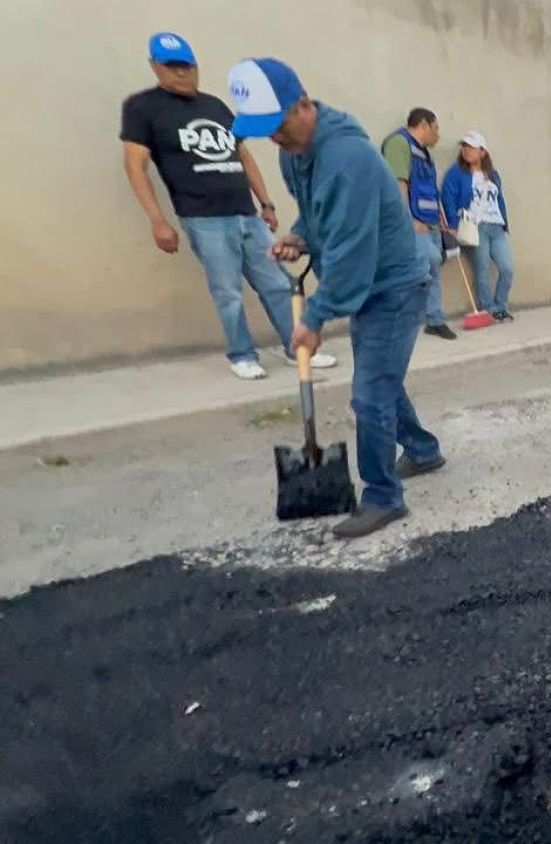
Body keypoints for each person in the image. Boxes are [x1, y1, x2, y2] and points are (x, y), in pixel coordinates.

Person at [229, 57, 443, 539]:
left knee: (369, 396)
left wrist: (316, 316)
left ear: (303, 104)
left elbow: (351, 253)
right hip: (368, 283)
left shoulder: (348, 157)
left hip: (394, 286)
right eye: (264, 131)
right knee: (381, 379)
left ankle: (383, 496)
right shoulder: (295, 153)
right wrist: (300, 237)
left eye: (278, 125)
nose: (274, 139)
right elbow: (317, 214)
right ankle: (424, 450)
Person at [120, 32, 335, 380]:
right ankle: (242, 354)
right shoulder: (142, 108)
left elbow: (243, 155)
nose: (181, 74)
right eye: (172, 67)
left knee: (279, 283)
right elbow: (135, 165)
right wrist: (157, 220)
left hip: (246, 213)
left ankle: (298, 348)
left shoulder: (215, 106)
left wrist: (265, 203)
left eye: (187, 66)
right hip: (203, 217)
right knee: (228, 292)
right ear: (155, 66)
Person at [380, 107, 453, 339]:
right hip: (414, 222)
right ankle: (401, 319)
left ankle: (435, 319)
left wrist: (440, 218)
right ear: (423, 125)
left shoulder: (423, 153)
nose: (438, 134)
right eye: (436, 128)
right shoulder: (399, 144)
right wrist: (408, 220)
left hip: (430, 222)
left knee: (433, 267)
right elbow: (398, 184)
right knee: (427, 262)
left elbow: (429, 188)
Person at [439, 131, 515, 322]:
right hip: (474, 227)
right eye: (464, 146)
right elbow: (448, 199)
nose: (466, 150)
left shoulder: (492, 174)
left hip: (496, 226)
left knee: (507, 268)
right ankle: (488, 309)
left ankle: (501, 305)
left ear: (482, 152)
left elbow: (499, 199)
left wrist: (504, 222)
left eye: (471, 147)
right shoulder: (456, 173)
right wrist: (453, 226)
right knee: (481, 269)